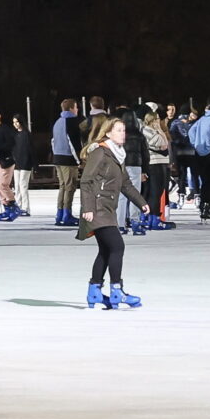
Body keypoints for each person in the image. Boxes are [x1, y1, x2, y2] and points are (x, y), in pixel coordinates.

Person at [75, 115, 139, 309]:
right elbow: (86, 181)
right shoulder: (101, 153)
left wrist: (142, 203)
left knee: (106, 249)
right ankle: (116, 291)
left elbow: (126, 184)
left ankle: (94, 292)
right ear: (108, 133)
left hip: (107, 209)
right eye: (119, 130)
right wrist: (88, 208)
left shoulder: (117, 154)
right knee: (117, 246)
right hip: (96, 208)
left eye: (124, 130)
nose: (123, 133)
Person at [49, 99, 84, 229]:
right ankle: (67, 214)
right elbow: (73, 142)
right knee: (70, 186)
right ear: (71, 108)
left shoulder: (57, 122)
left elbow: (53, 141)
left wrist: (55, 156)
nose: (77, 110)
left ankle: (60, 213)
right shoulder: (72, 122)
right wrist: (79, 160)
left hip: (58, 158)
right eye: (76, 107)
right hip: (68, 159)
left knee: (63, 186)